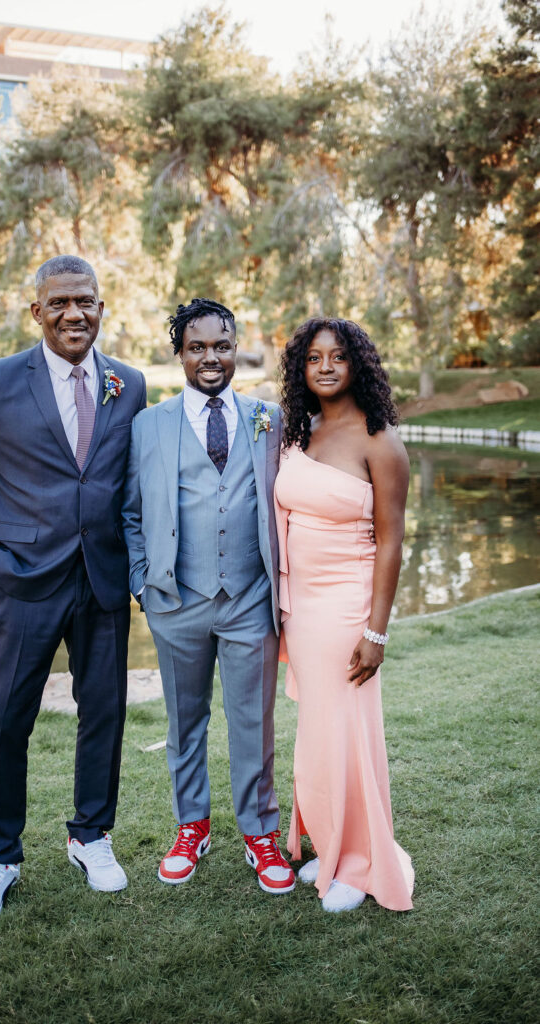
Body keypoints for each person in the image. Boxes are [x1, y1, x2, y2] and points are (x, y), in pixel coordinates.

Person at [0, 255, 147, 924]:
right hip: (20, 582)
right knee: (4, 721)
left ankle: (90, 837)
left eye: (86, 301)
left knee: (103, 713)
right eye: (60, 303)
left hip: (102, 582)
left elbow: (129, 485)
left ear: (101, 307)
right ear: (37, 312)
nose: (74, 313)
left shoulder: (128, 385)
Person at [122, 298, 295, 895]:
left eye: (221, 346)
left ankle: (260, 834)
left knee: (254, 722)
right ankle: (192, 826)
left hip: (250, 597)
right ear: (180, 354)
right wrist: (142, 581)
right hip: (175, 599)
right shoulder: (148, 424)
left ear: (236, 348)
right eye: (197, 347)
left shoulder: (267, 418)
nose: (211, 358)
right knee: (184, 721)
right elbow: (130, 511)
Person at [275, 316, 414, 913]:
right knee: (317, 737)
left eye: (337, 356)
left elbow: (391, 542)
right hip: (301, 610)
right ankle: (330, 847)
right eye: (313, 358)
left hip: (347, 608)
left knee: (348, 736)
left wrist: (375, 630)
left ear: (358, 364)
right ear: (301, 370)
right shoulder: (297, 434)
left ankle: (360, 865)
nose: (325, 366)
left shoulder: (380, 441)